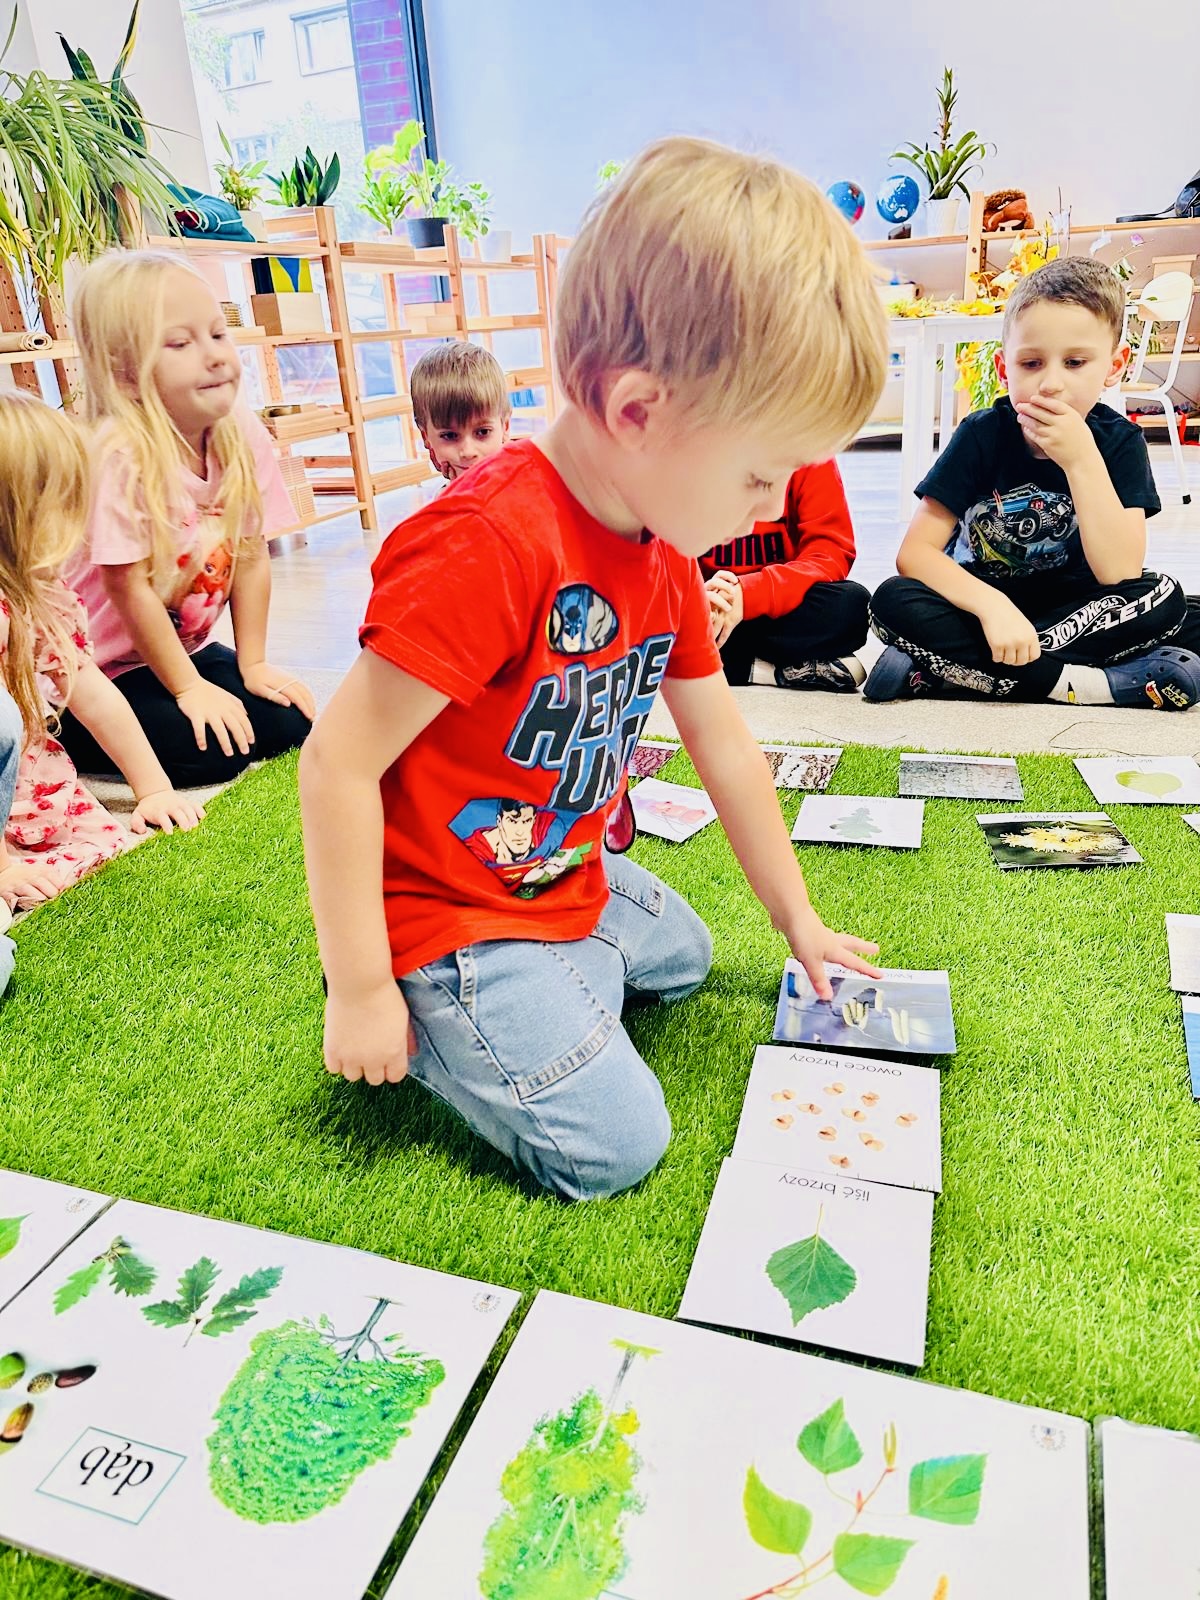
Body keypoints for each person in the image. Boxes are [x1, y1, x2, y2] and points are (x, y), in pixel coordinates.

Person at [300, 136, 889, 1201]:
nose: (771, 507)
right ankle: (442, 1012)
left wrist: (797, 919)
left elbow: (722, 740)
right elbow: (335, 766)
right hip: (446, 908)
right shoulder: (486, 542)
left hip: (556, 867)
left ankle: (552, 981)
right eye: (761, 475)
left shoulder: (663, 545)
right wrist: (360, 988)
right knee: (619, 1145)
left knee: (687, 958)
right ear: (637, 412)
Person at [865, 256, 1200, 709]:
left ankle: (951, 670)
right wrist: (994, 608)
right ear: (1005, 369)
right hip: (980, 607)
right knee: (891, 601)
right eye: (1031, 363)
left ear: (1114, 366)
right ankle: (1085, 684)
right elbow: (915, 554)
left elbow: (1119, 572)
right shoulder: (981, 433)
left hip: (1078, 613)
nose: (1050, 384)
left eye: (1075, 362)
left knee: (1167, 599)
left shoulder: (1119, 442)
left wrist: (1081, 460)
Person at [57, 250, 315, 789]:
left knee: (288, 724)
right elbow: (127, 588)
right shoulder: (119, 455)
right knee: (210, 753)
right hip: (94, 673)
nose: (214, 355)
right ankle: (55, 736)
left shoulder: (239, 431)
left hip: (179, 650)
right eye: (180, 344)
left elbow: (250, 554)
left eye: (218, 334)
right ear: (126, 373)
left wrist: (254, 664)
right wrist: (188, 689)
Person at [0, 393, 203, 914]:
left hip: (24, 772)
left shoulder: (43, 596)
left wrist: (153, 789)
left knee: (88, 843)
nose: (79, 526)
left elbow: (92, 693)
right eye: (64, 506)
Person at [701, 459, 869, 691]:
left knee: (851, 606)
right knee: (664, 617)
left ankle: (715, 659)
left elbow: (830, 552)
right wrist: (700, 598)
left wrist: (747, 596)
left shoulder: (810, 452)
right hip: (705, 603)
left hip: (777, 603)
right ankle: (764, 668)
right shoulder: (687, 450)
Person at [410, 341, 512, 484]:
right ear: (425, 436)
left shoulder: (528, 483)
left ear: (505, 426)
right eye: (450, 436)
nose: (468, 452)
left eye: (483, 432)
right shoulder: (444, 497)